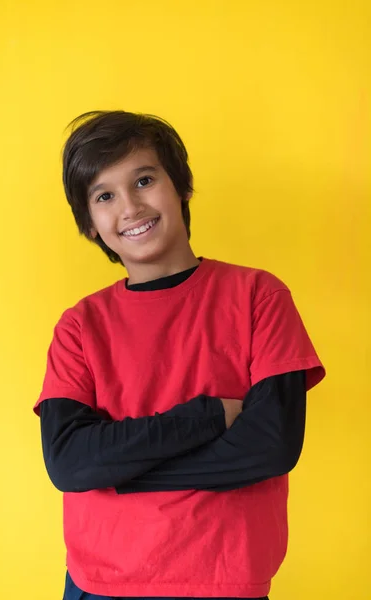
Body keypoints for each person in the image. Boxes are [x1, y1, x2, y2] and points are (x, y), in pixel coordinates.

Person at [34, 110, 326, 600]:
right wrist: (208, 416)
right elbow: (69, 464)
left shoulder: (258, 296)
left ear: (182, 187)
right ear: (89, 225)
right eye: (104, 195)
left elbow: (271, 447)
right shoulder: (80, 326)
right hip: (100, 582)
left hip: (223, 577)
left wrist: (119, 474)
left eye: (144, 180)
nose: (129, 206)